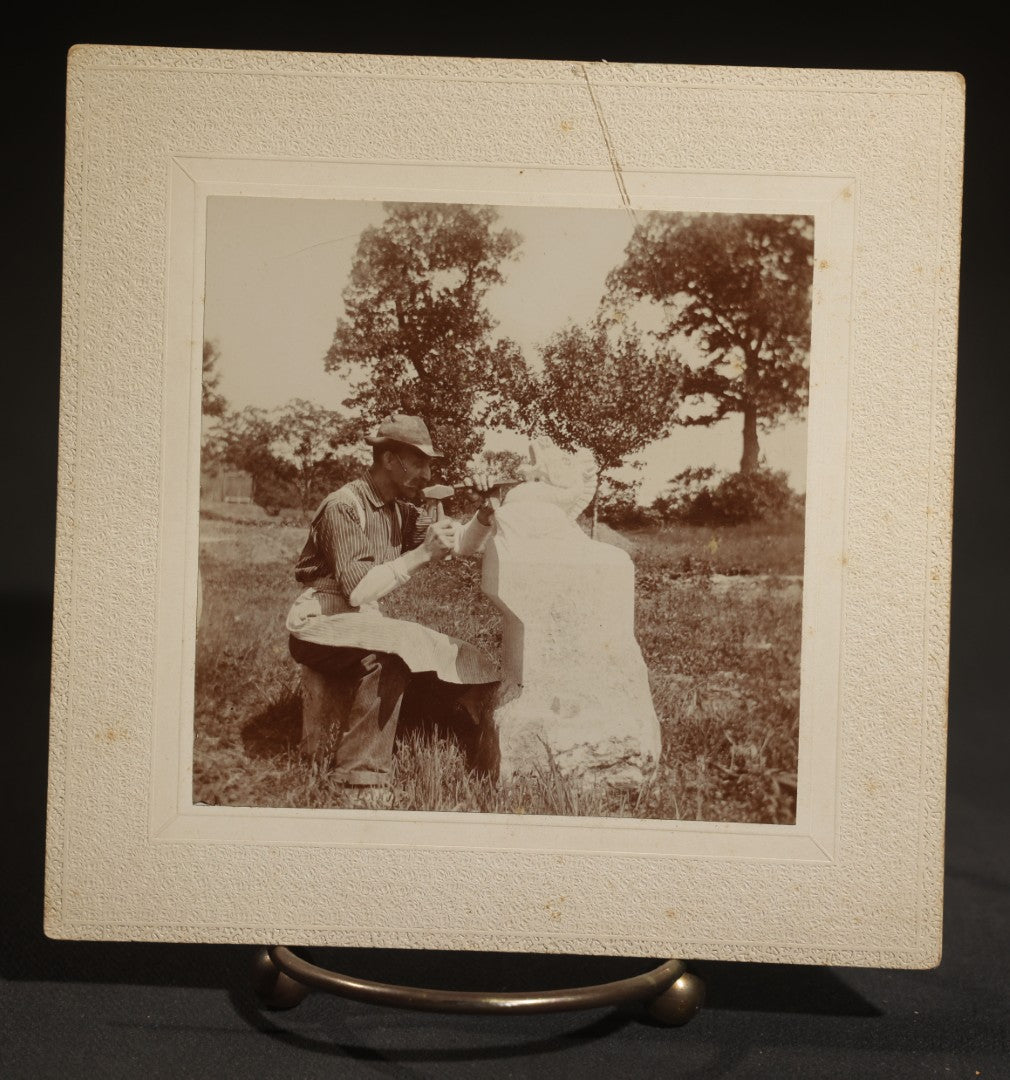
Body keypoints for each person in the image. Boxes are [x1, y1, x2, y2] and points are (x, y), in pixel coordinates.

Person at [285, 413, 499, 804]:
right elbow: (358, 592)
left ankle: (445, 740)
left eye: (428, 463)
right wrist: (420, 555)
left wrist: (484, 514)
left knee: (453, 653)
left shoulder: (400, 510)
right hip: (317, 622)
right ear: (388, 459)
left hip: (359, 622)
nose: (427, 471)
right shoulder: (343, 506)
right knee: (389, 655)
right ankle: (357, 780)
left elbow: (461, 546)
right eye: (418, 461)